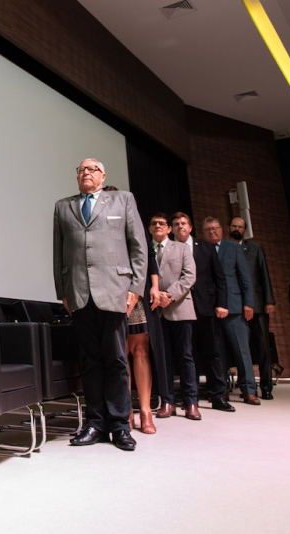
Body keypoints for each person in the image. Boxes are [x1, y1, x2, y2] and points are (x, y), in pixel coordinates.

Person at [54, 158, 147, 451]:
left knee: (116, 360)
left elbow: (138, 246)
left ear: (103, 176)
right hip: (79, 293)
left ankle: (120, 426)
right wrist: (62, 292)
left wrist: (135, 289)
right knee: (90, 362)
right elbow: (58, 252)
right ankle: (95, 424)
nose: (86, 172)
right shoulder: (63, 206)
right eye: (82, 169)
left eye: (92, 169)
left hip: (115, 292)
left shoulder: (123, 200)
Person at [170, 212, 234, 412]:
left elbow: (219, 278)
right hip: (180, 308)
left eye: (183, 223)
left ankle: (218, 395)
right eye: (176, 224)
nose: (180, 226)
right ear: (172, 229)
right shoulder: (169, 248)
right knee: (187, 353)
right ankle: (191, 397)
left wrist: (222, 304)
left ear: (190, 227)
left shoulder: (205, 246)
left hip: (206, 307)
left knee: (212, 352)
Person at [202, 217, 260, 405]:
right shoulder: (201, 249)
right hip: (210, 308)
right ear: (203, 232)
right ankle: (222, 390)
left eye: (215, 228)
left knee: (242, 350)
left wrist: (248, 303)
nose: (212, 232)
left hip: (234, 306)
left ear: (221, 229)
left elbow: (245, 277)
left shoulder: (233, 248)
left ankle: (249, 390)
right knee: (217, 352)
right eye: (208, 229)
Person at [148, 213, 200, 420]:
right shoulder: (145, 249)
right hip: (155, 311)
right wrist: (156, 296)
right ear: (149, 229)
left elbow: (189, 276)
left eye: (162, 223)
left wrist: (168, 295)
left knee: (185, 356)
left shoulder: (182, 248)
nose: (158, 226)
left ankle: (191, 402)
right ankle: (167, 401)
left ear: (169, 229)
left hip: (179, 307)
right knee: (163, 359)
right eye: (154, 224)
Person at [228, 217, 276, 399]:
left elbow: (264, 274)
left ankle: (266, 386)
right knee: (242, 348)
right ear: (229, 228)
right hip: (235, 306)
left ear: (244, 230)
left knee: (263, 346)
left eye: (240, 227)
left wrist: (269, 301)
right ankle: (247, 387)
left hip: (257, 305)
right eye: (234, 226)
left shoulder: (255, 249)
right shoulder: (225, 248)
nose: (236, 229)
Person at [126, 240, 165, 434]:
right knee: (120, 353)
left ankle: (145, 411)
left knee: (140, 350)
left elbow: (149, 254)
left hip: (139, 290)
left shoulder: (137, 226)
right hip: (113, 291)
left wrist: (155, 286)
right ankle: (126, 412)